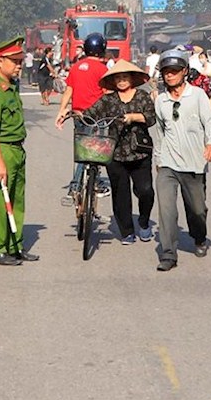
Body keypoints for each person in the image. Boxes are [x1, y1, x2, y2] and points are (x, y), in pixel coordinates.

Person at [152, 51, 211, 271]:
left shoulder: (198, 95)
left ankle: (199, 237)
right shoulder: (161, 101)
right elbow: (159, 132)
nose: (169, 76)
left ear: (184, 72)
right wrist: (158, 159)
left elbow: (210, 120)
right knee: (167, 210)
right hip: (168, 165)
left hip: (194, 163)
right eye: (165, 72)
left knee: (197, 210)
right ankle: (169, 254)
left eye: (173, 71)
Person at [83, 60, 158, 244]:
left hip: (140, 151)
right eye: (118, 78)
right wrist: (73, 113)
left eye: (125, 77)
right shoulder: (108, 100)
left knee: (145, 191)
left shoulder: (142, 96)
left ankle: (143, 221)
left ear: (132, 79)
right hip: (115, 152)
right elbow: (90, 113)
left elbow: (151, 117)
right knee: (120, 193)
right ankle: (126, 231)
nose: (122, 81)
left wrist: (133, 117)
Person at [0, 38, 36, 266]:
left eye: (20, 61)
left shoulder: (10, 87)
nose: (19, 65)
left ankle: (15, 246)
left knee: (16, 200)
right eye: (14, 61)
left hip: (16, 149)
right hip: (1, 149)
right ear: (0, 61)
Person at [57, 34, 111, 197]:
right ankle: (78, 185)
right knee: (92, 151)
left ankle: (91, 181)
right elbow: (107, 93)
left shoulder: (76, 67)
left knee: (82, 149)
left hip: (77, 115)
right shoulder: (103, 69)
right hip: (96, 117)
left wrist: (62, 110)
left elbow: (69, 90)